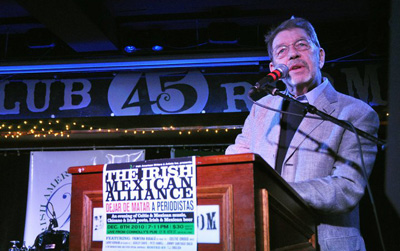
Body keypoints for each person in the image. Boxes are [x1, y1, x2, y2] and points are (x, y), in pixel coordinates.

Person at [225, 17, 379, 251]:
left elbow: (347, 188)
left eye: (302, 45)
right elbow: (236, 161)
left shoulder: (356, 113)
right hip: (267, 242)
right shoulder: (260, 109)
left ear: (320, 56)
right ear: (274, 67)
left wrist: (273, 195)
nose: (293, 55)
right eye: (282, 50)